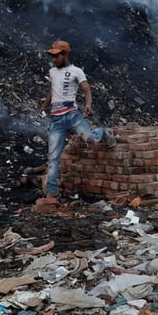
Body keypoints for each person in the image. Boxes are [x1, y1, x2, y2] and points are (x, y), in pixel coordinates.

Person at [38, 39, 116, 199]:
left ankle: (102, 132)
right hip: (56, 119)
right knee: (53, 157)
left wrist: (88, 105)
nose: (54, 59)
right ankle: (52, 195)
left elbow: (86, 89)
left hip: (72, 115)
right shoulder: (52, 72)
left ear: (65, 54)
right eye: (52, 56)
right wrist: (44, 107)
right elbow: (51, 91)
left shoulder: (76, 71)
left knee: (91, 140)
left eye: (56, 56)